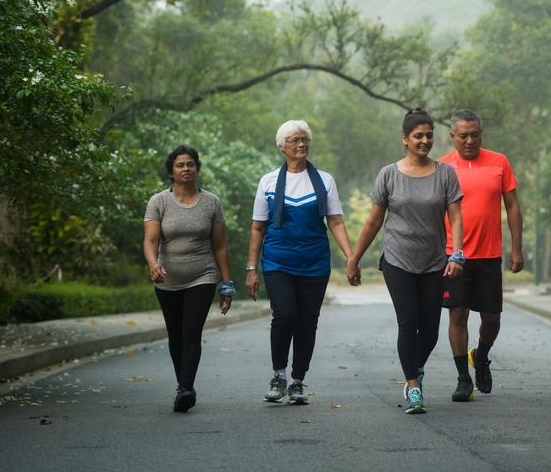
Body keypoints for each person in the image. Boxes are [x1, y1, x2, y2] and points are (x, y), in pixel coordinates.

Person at [347, 109, 464, 414]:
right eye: (418, 136)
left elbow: (455, 216)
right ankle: (413, 385)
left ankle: (415, 366)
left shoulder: (445, 174)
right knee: (407, 322)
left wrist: (457, 253)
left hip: (434, 261)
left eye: (429, 136)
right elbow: (374, 222)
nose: (425, 141)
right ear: (405, 139)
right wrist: (354, 258)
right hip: (397, 258)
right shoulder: (389, 174)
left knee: (430, 330)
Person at [245, 120, 352, 406]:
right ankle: (278, 374)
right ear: (282, 146)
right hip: (278, 261)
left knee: (307, 321)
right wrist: (252, 268)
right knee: (284, 315)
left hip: (315, 262)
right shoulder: (268, 181)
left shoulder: (324, 180)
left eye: (305, 140)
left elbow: (336, 221)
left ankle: (297, 380)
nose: (301, 144)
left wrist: (350, 257)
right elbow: (257, 227)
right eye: (294, 140)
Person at [439, 109, 524, 402]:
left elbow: (512, 206)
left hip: (489, 254)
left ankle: (482, 354)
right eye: (463, 136)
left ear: (481, 134)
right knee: (458, 313)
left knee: (491, 317)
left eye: (475, 135)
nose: (470, 140)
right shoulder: (441, 168)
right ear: (452, 137)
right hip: (454, 255)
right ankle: (463, 379)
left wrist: (516, 247)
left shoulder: (499, 162)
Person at [143, 145, 234, 413]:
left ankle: (186, 388)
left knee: (191, 332)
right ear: (171, 172)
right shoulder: (158, 201)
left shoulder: (211, 202)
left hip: (202, 275)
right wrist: (153, 264)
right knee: (176, 334)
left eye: (190, 164)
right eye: (180, 165)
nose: (186, 169)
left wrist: (226, 284)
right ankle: (183, 384)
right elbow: (150, 241)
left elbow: (220, 246)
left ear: (197, 168)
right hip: (167, 278)